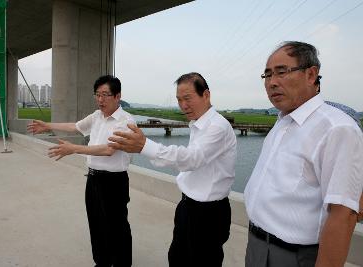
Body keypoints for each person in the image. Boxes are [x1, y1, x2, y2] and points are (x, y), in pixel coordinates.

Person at [244, 41, 363, 267]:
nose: (272, 83)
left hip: (293, 256)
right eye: (267, 75)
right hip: (257, 245)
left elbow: (343, 214)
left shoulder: (336, 128)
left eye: (281, 72)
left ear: (311, 75)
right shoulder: (283, 121)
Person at [108, 72, 236, 267]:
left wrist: (145, 146)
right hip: (188, 206)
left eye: (188, 98)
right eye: (179, 100)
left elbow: (192, 158)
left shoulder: (218, 126)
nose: (183, 105)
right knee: (177, 258)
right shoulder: (198, 124)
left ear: (206, 95)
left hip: (209, 214)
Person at [27, 75, 135, 267]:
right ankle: (101, 262)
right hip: (93, 179)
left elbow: (108, 149)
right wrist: (48, 126)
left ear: (117, 96)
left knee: (117, 227)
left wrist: (74, 149)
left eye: (105, 95)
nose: (100, 99)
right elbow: (75, 127)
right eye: (97, 95)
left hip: (114, 182)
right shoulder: (96, 116)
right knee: (96, 223)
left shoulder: (126, 121)